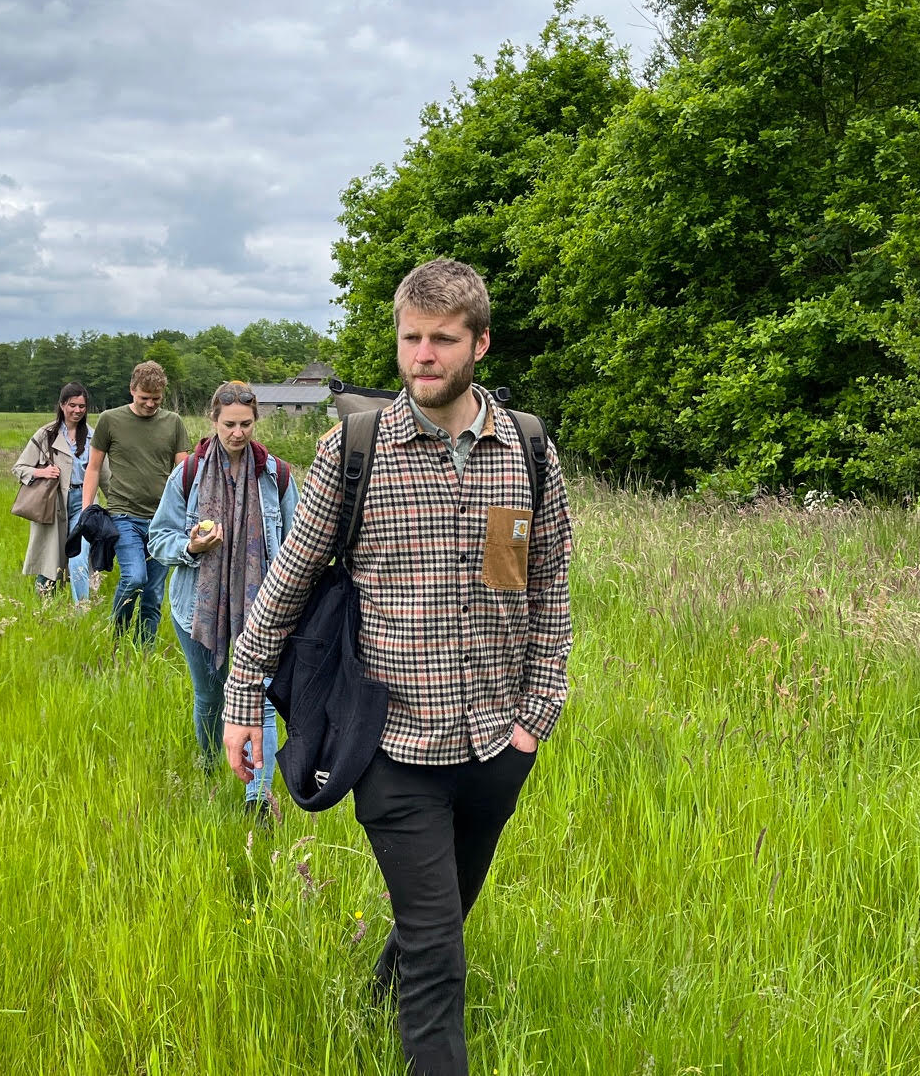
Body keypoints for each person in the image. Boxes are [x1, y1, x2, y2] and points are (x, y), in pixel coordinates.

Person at [222, 258, 574, 1075]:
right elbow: (290, 578)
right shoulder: (355, 447)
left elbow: (549, 585)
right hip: (392, 745)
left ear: (480, 343)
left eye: (443, 340)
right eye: (411, 338)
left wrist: (536, 714)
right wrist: (243, 692)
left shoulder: (525, 448)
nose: (423, 355)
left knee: (442, 914)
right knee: (439, 947)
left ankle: (379, 1000)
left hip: (497, 741)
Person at [148, 381, 298, 813]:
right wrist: (191, 548)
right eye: (229, 424)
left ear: (256, 422)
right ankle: (212, 771)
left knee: (261, 699)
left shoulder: (277, 475)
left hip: (262, 609)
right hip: (196, 606)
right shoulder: (189, 473)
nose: (238, 433)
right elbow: (159, 538)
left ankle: (258, 797)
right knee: (211, 696)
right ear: (213, 421)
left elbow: (298, 543)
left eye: (246, 424)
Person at [82, 361, 188, 644]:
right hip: (123, 515)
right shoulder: (110, 420)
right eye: (144, 398)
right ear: (132, 390)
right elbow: (93, 468)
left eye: (156, 399)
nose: (150, 404)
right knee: (134, 578)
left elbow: (184, 473)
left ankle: (144, 651)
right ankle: (116, 638)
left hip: (163, 521)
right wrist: (86, 510)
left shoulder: (173, 423)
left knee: (153, 593)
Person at [14, 382, 99, 603]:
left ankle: (82, 608)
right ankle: (44, 607)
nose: (77, 411)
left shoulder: (93, 436)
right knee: (49, 556)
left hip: (84, 502)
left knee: (79, 555)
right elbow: (19, 468)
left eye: (82, 406)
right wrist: (41, 472)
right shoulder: (46, 434)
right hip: (53, 503)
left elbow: (104, 474)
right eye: (72, 405)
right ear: (62, 405)